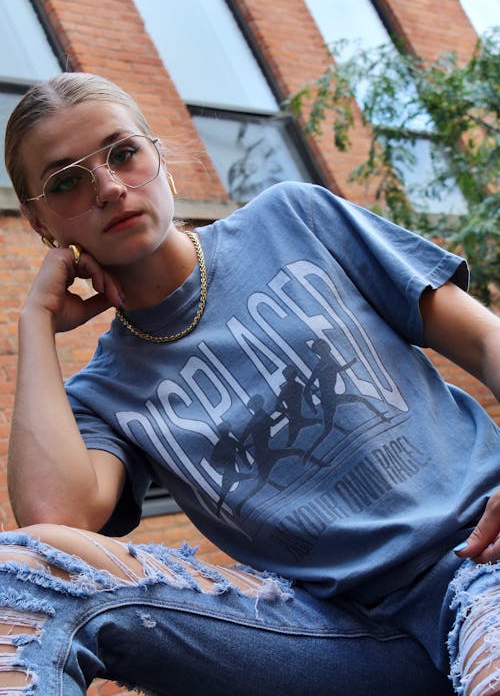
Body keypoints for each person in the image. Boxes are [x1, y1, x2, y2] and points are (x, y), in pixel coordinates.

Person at [1, 71, 499, 696]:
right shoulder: (104, 393)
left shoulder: (295, 219)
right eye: (66, 181)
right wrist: (36, 322)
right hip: (328, 636)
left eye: (123, 153)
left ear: (157, 156)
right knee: (20, 574)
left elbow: (485, 338)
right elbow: (53, 525)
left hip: (479, 562)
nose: (107, 187)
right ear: (39, 220)